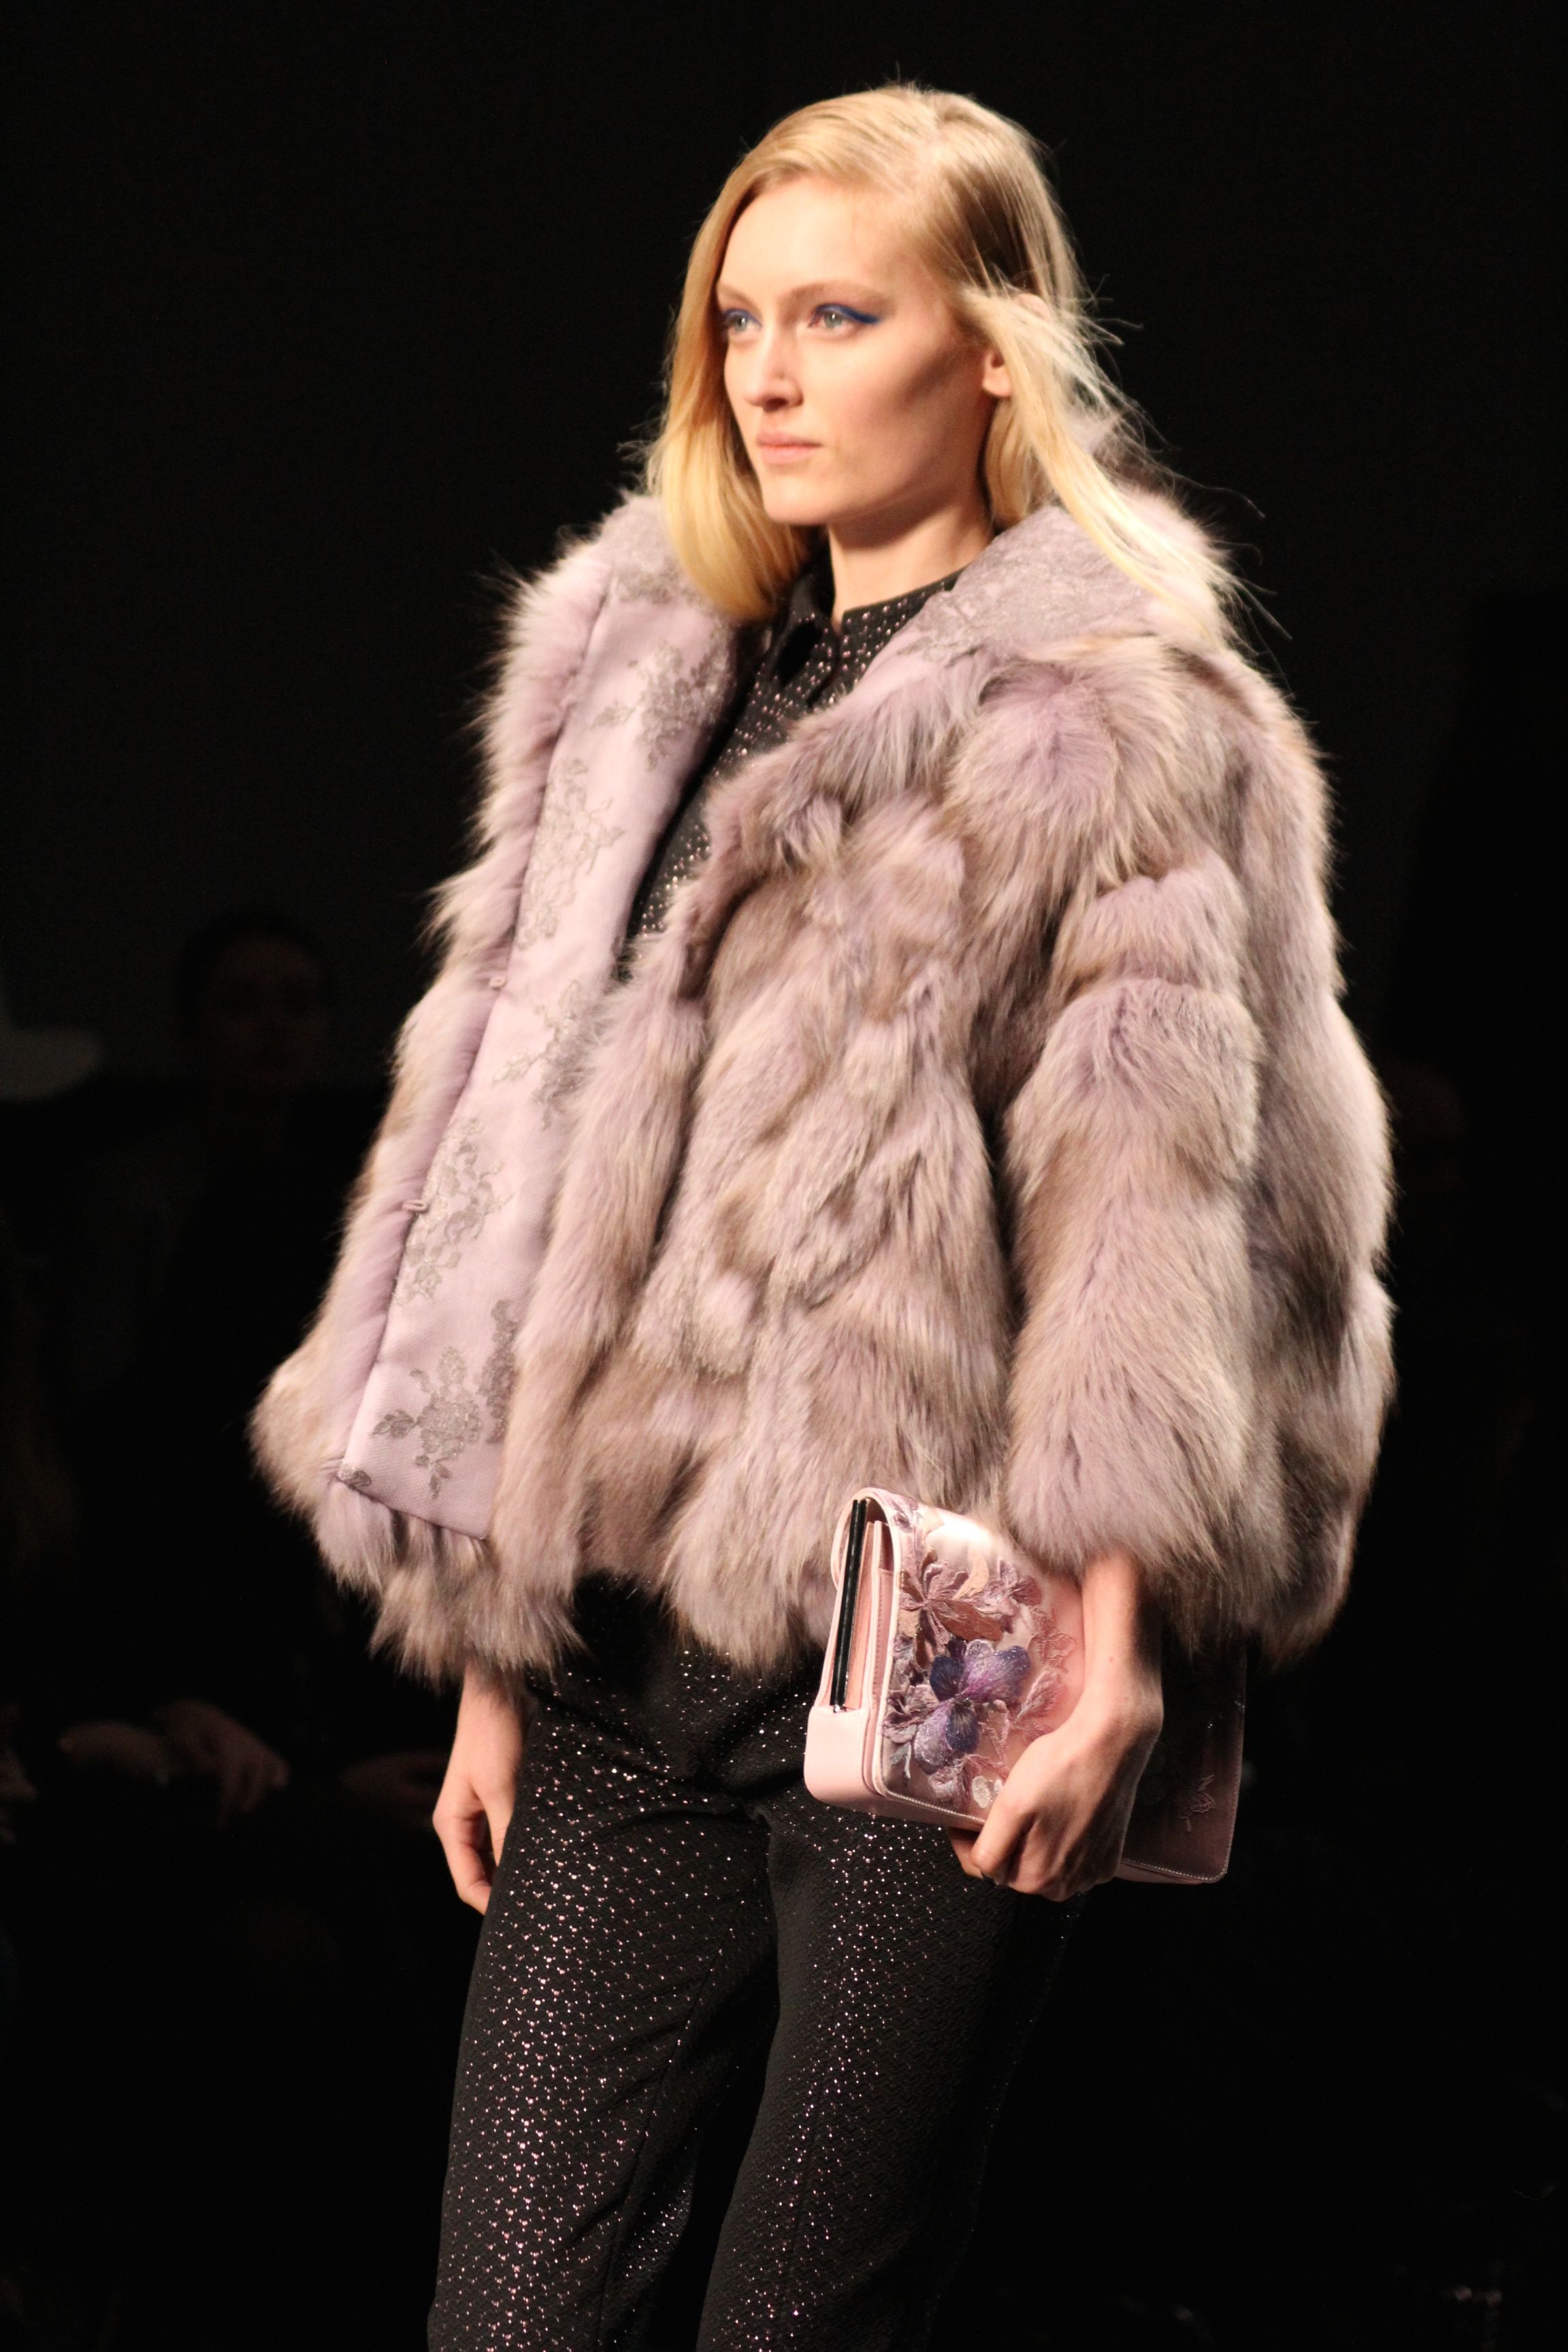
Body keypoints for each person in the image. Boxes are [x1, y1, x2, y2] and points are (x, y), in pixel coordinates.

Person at [255, 85, 1392, 2350]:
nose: (768, 375)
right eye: (739, 320)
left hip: (942, 1642)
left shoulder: (1116, 715)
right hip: (609, 1657)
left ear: (993, 349)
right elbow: (510, 1157)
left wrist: (1121, 1639)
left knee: (805, 2322)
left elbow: (1159, 1200)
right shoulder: (635, 685)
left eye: (839, 317)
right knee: (512, 2315)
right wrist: (482, 1627)